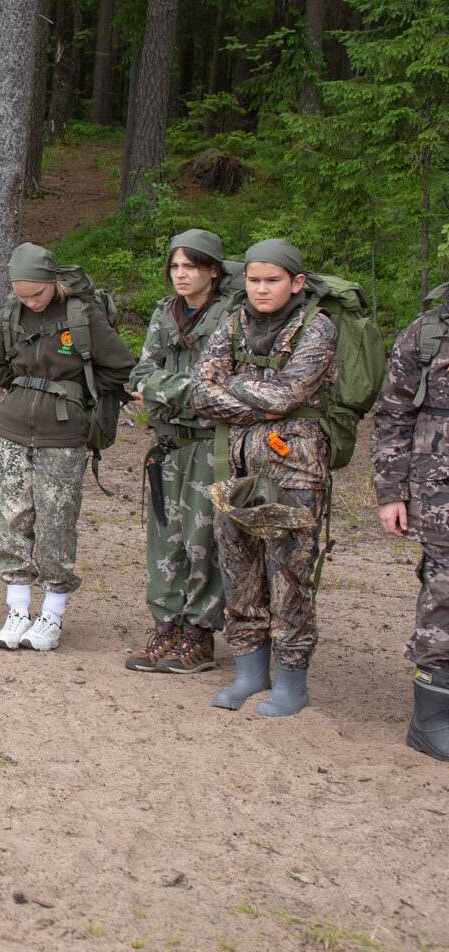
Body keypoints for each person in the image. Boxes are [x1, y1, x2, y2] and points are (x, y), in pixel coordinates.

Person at [192, 239, 338, 717]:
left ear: (296, 282)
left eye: (272, 280)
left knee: (290, 576)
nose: (260, 288)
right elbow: (200, 394)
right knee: (239, 571)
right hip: (235, 471)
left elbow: (289, 394)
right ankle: (250, 673)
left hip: (293, 474)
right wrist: (257, 395)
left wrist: (232, 385)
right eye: (253, 279)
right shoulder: (232, 324)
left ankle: (292, 684)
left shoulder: (317, 329)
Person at [0, 243, 135, 652]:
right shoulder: (12, 313)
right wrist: (23, 391)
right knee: (10, 520)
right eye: (23, 294)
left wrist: (73, 396)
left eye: (37, 294)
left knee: (56, 524)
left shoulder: (82, 316)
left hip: (63, 438)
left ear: (53, 283)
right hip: (12, 432)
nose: (30, 301)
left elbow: (120, 367)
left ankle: (52, 613)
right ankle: (17, 611)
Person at [125, 230, 238, 674]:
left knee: (202, 540)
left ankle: (199, 636)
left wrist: (159, 392)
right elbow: (140, 371)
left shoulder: (232, 316)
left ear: (213, 269)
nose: (181, 275)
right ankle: (165, 627)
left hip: (213, 447)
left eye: (190, 266)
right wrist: (179, 392)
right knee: (164, 541)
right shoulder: (165, 313)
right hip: (168, 445)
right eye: (174, 267)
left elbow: (220, 391)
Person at [372, 281, 449, 760]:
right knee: (444, 595)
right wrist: (390, 493)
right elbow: (393, 416)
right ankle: (432, 718)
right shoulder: (427, 334)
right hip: (439, 492)